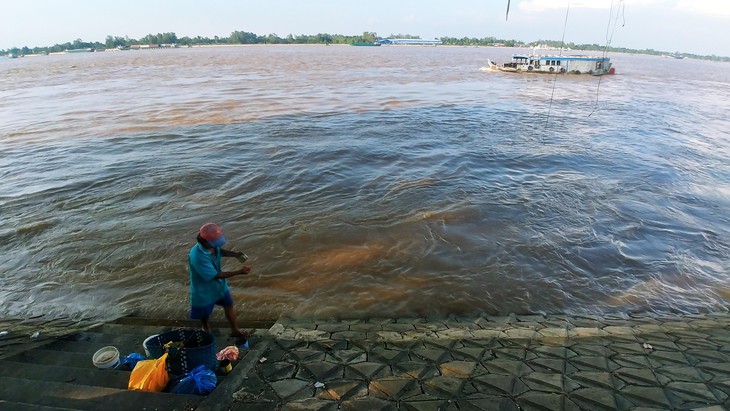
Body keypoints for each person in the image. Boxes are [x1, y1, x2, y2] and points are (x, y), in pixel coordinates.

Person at [189, 222, 251, 342]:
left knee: (229, 305)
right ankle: (206, 328)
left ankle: (235, 329)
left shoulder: (210, 245)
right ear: (205, 241)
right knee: (204, 312)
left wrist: (235, 254)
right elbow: (216, 275)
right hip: (204, 288)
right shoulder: (197, 256)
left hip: (219, 286)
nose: (216, 244)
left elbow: (219, 251)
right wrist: (239, 272)